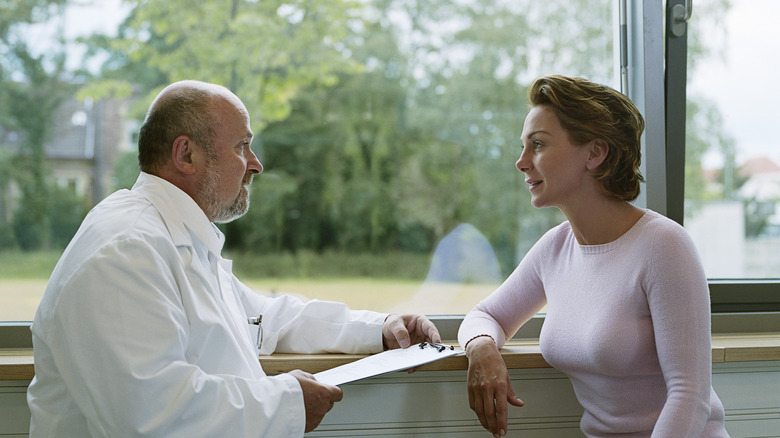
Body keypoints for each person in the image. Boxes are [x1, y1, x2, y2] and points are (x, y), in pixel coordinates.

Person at [27, 80, 441, 437]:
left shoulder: (176, 239)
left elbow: (265, 317)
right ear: (186, 155)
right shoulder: (124, 252)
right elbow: (149, 418)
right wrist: (286, 401)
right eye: (243, 146)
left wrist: (380, 330)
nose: (256, 165)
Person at [458, 75, 729, 437]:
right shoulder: (555, 248)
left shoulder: (664, 245)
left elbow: (690, 396)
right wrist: (482, 348)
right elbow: (485, 315)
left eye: (537, 145)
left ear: (595, 153)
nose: (521, 162)